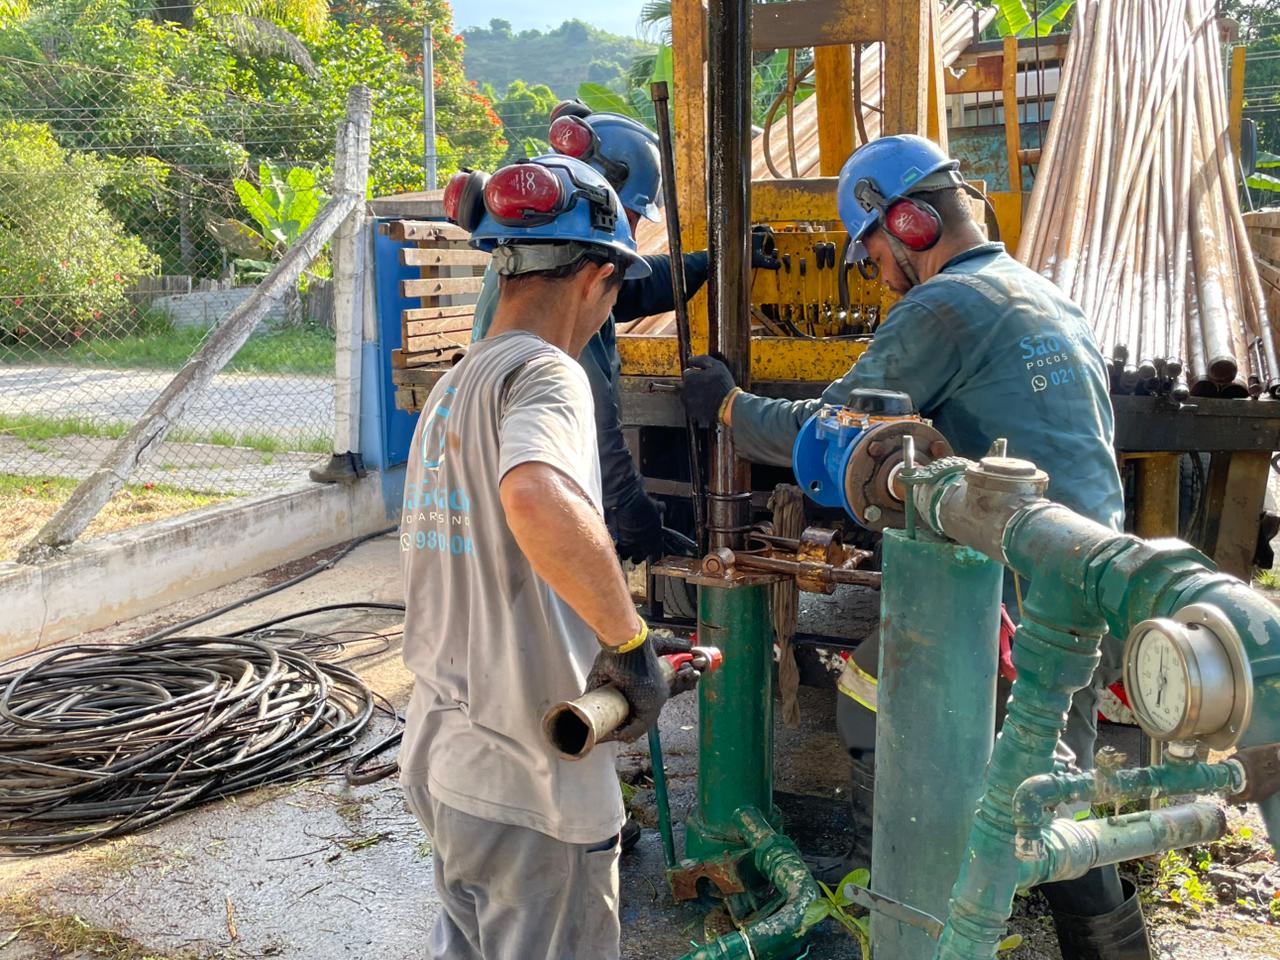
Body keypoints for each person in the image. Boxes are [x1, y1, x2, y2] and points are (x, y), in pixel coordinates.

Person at [680, 135, 1147, 958]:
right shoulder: (1040, 292)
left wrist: (731, 408)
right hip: (1084, 577)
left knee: (870, 696)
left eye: (872, 253)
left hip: (1013, 592)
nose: (877, 275)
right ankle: (1110, 945)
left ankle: (900, 897)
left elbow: (839, 433)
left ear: (910, 225)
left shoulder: (942, 306)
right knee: (1050, 783)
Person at [400, 153, 695, 960]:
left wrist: (611, 633)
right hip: (532, 783)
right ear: (599, 277)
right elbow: (535, 498)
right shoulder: (548, 373)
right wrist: (628, 642)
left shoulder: (453, 388)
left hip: (445, 763)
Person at [469, 101, 778, 566]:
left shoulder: (532, 260)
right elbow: (593, 419)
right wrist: (629, 507)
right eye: (631, 215)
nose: (630, 232)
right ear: (601, 200)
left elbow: (634, 288)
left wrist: (713, 261)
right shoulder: (563, 306)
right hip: (536, 502)